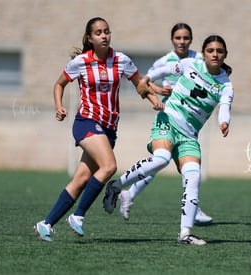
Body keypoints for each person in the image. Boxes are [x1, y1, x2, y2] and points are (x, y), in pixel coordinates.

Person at [34, 17, 163, 241]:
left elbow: (139, 83)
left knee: (82, 178)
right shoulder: (81, 62)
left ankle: (45, 224)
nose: (104, 36)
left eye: (107, 31)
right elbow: (59, 84)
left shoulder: (121, 60)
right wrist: (59, 106)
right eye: (98, 33)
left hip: (109, 127)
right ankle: (79, 216)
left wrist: (153, 99)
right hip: (87, 121)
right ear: (89, 38)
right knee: (109, 166)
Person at [103, 35, 234, 245]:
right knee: (161, 159)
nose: (215, 54)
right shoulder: (191, 64)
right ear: (204, 53)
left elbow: (225, 107)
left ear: (225, 54)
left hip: (189, 135)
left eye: (219, 51)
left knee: (193, 177)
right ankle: (116, 186)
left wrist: (224, 122)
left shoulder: (225, 85)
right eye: (210, 50)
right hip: (168, 120)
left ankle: (185, 234)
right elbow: (165, 70)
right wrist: (147, 79)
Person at [116, 23, 213, 225]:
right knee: (164, 161)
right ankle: (191, 209)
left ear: (191, 40)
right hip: (168, 117)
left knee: (181, 164)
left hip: (190, 120)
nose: (182, 41)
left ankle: (130, 194)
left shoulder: (197, 59)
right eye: (178, 38)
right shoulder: (164, 61)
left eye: (186, 38)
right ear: (172, 40)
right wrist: (159, 91)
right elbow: (144, 81)